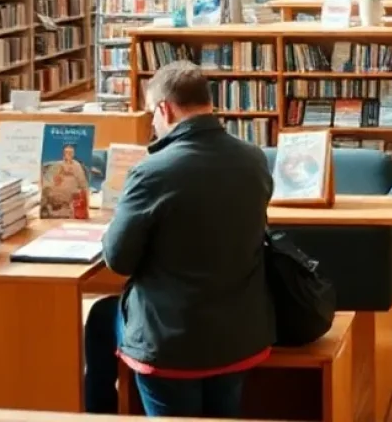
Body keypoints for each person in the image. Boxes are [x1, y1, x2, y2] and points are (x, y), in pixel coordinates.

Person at [97, 61, 275, 418]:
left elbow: (119, 260)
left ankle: (95, 410)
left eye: (152, 114)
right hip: (239, 332)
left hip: (172, 341)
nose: (152, 124)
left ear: (165, 108)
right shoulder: (254, 159)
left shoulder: (152, 171)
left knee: (100, 321)